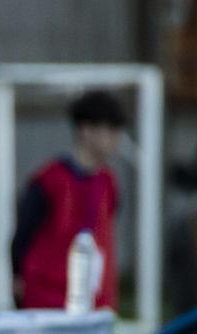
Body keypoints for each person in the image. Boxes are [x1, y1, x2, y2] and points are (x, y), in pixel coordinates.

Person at [12, 90, 127, 312]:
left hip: (95, 300)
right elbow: (23, 235)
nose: (115, 138)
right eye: (109, 129)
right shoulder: (48, 180)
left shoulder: (108, 184)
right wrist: (18, 276)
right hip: (47, 300)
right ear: (85, 130)